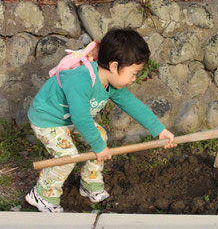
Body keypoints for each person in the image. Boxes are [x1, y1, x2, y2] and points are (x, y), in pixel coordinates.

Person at [25, 28, 176, 213]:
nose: (134, 79)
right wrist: (97, 146)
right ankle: (42, 194)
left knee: (101, 135)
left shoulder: (110, 82)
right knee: (67, 156)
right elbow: (80, 118)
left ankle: (90, 183)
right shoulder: (83, 80)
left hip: (69, 118)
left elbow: (132, 105)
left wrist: (159, 129)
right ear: (114, 66)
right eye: (133, 73)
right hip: (47, 118)